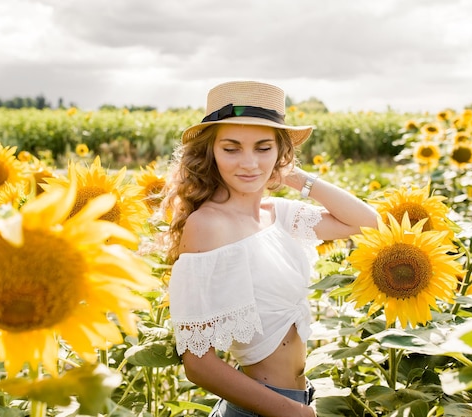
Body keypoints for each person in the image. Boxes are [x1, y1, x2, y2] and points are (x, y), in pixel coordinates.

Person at [160, 80, 378, 417]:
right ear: (211, 152)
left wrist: (293, 176)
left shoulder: (279, 215)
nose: (248, 163)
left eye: (263, 148)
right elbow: (198, 364)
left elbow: (368, 223)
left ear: (281, 153)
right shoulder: (207, 226)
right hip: (261, 409)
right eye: (231, 148)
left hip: (299, 400)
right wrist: (295, 414)